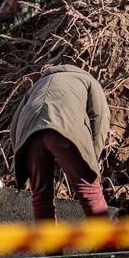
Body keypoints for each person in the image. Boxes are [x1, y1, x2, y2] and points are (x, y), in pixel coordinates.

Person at [10, 64, 111, 222]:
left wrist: (22, 153)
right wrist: (91, 160)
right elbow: (99, 118)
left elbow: (14, 125)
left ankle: (51, 245)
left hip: (30, 135)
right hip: (63, 130)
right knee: (89, 190)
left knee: (41, 196)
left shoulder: (37, 85)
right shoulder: (88, 80)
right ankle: (107, 244)